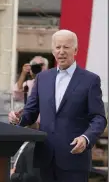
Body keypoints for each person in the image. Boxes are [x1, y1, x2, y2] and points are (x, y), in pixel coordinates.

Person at [10, 29, 107, 182]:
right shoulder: (43, 78)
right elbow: (30, 112)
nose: (61, 51)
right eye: (57, 47)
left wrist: (86, 138)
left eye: (66, 47)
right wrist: (17, 118)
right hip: (44, 159)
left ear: (75, 50)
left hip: (74, 159)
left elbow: (99, 118)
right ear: (53, 50)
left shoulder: (90, 80)